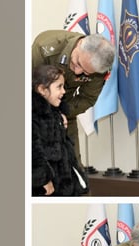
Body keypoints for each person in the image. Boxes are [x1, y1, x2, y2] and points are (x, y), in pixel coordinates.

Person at [32, 30, 114, 165]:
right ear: (79, 44)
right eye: (78, 63)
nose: (77, 72)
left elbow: (87, 97)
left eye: (86, 73)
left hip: (64, 110)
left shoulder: (100, 68)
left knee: (73, 168)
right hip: (32, 111)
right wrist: (46, 114)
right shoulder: (45, 48)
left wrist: (61, 112)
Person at [32, 64, 88, 196]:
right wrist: (43, 179)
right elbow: (33, 151)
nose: (63, 91)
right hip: (47, 189)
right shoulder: (33, 117)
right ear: (42, 89)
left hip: (64, 184)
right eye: (59, 87)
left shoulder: (56, 115)